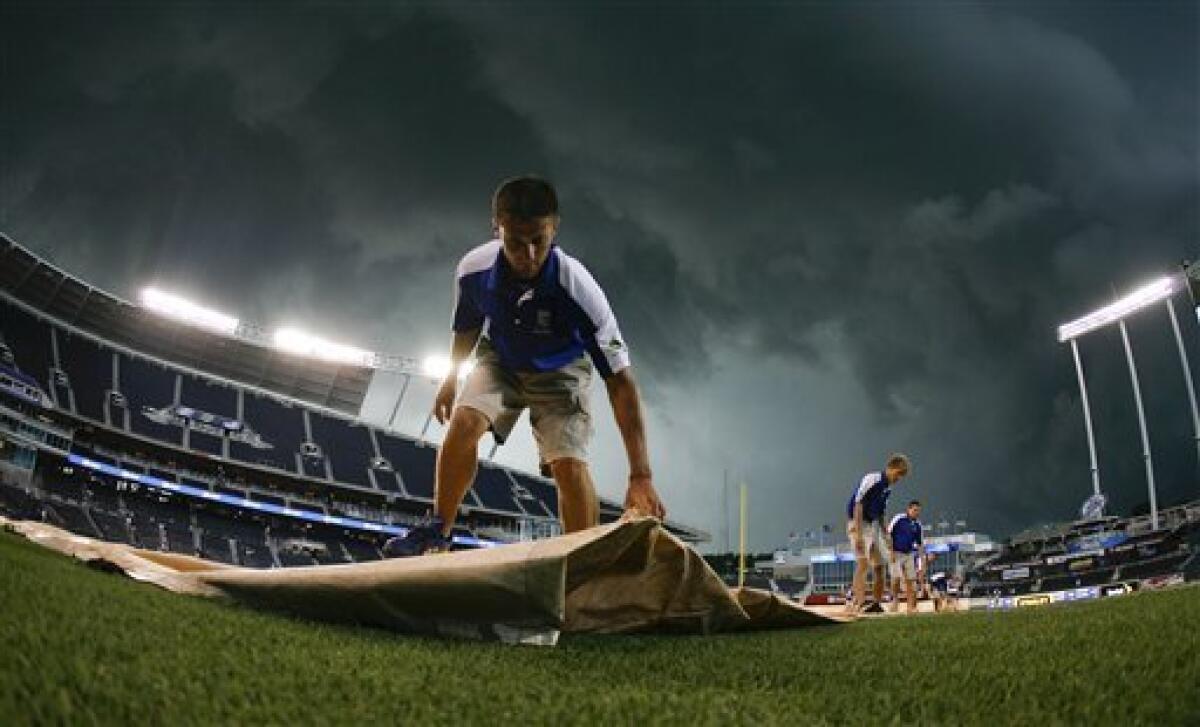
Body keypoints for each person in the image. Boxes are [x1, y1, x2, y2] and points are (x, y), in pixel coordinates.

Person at [384, 176, 665, 557]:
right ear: (496, 228)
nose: (529, 255)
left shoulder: (578, 289)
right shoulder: (473, 270)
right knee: (463, 423)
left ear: (554, 229)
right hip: (501, 359)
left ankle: (582, 560)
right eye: (516, 242)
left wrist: (641, 475)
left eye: (539, 241)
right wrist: (451, 378)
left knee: (566, 463)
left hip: (561, 370)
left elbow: (621, 383)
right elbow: (466, 328)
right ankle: (438, 532)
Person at [844, 453, 910, 613]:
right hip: (858, 523)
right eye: (898, 474)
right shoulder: (872, 479)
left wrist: (886, 536)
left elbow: (881, 514)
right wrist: (858, 533)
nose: (898, 478)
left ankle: (875, 603)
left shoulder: (887, 489)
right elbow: (858, 504)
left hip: (873, 526)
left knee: (879, 566)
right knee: (863, 563)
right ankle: (858, 603)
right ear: (891, 468)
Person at [888, 500, 925, 614]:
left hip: (909, 554)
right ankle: (894, 600)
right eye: (914, 510)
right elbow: (888, 533)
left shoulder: (918, 525)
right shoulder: (899, 519)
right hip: (896, 552)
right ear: (908, 509)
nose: (916, 513)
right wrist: (890, 551)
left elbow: (920, 544)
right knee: (896, 579)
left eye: (918, 511)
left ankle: (911, 607)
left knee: (911, 581)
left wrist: (922, 561)